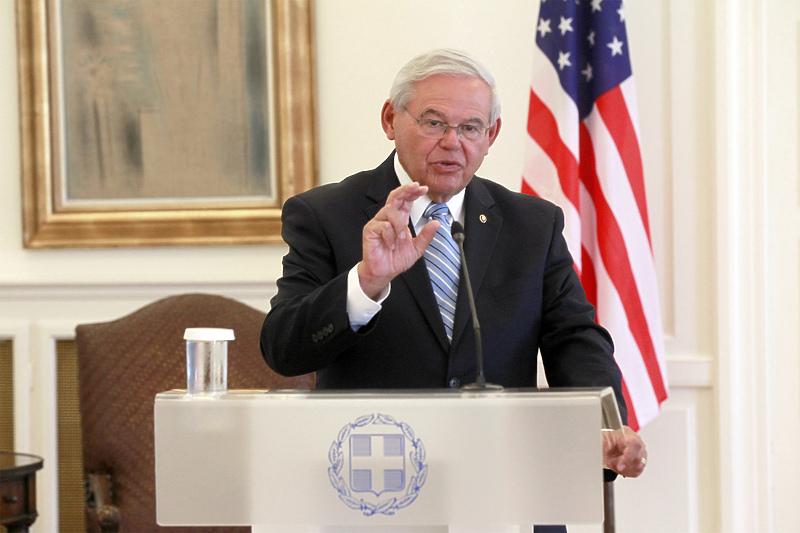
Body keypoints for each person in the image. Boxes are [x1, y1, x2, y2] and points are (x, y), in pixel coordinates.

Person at [260, 49, 647, 484]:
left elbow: (575, 339)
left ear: (491, 134)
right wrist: (366, 283)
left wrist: (602, 426)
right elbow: (284, 349)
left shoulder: (532, 224)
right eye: (433, 122)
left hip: (503, 478)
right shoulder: (325, 214)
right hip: (374, 480)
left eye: (470, 127)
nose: (452, 141)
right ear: (390, 120)